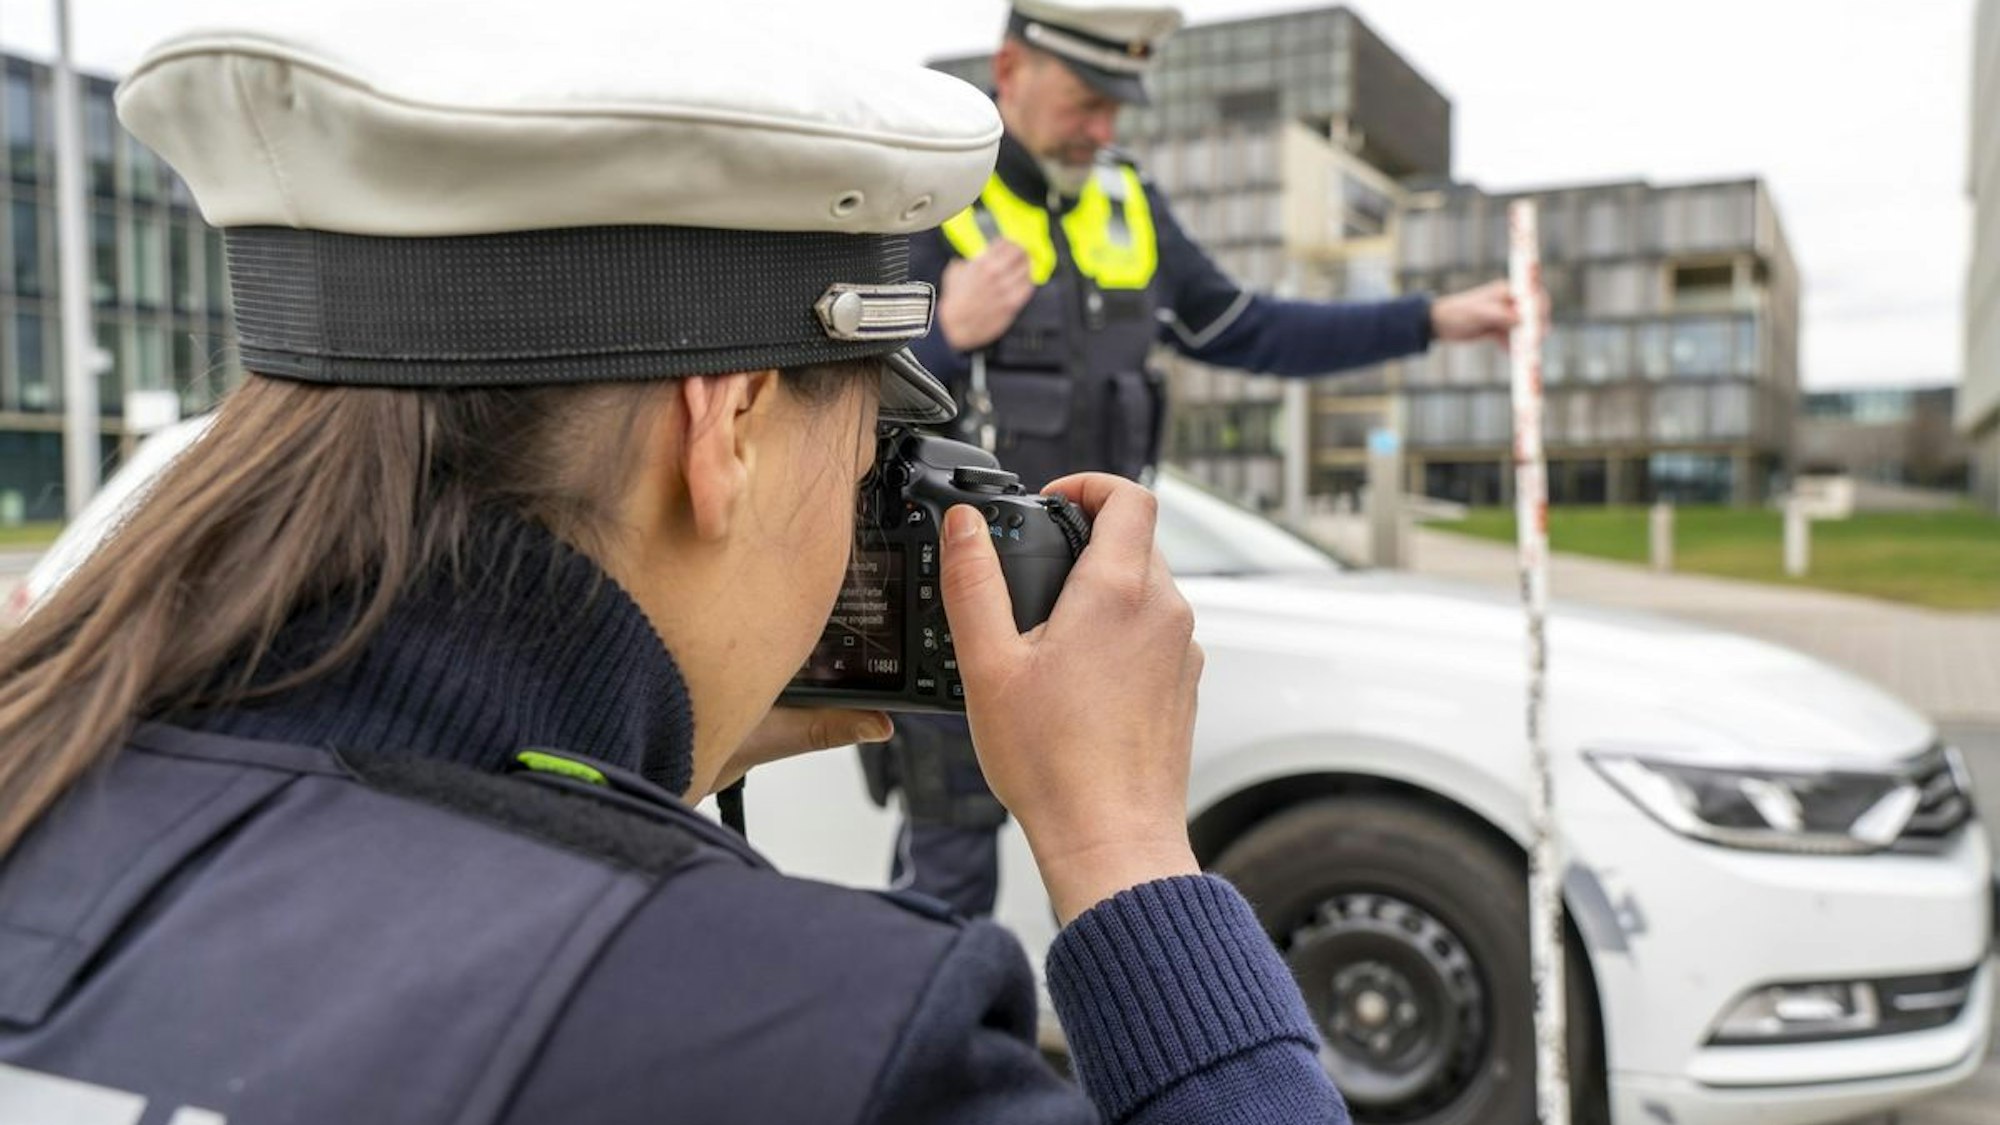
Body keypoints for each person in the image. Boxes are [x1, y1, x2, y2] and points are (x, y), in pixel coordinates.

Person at [0, 5, 1350, 1124]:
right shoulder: (818, 1042)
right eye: (870, 430)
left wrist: (653, 750)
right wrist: (1126, 853)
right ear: (730, 424)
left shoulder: (43, 767)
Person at [873, 0, 1529, 919]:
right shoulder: (929, 193)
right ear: (1011, 70)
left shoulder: (1128, 199)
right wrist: (949, 333)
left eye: (1118, 103)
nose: (1104, 127)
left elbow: (1250, 328)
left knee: (1122, 869)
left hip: (1099, 606)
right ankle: (947, 1060)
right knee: (948, 885)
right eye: (1086, 99)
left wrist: (1431, 320)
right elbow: (843, 392)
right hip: (958, 607)